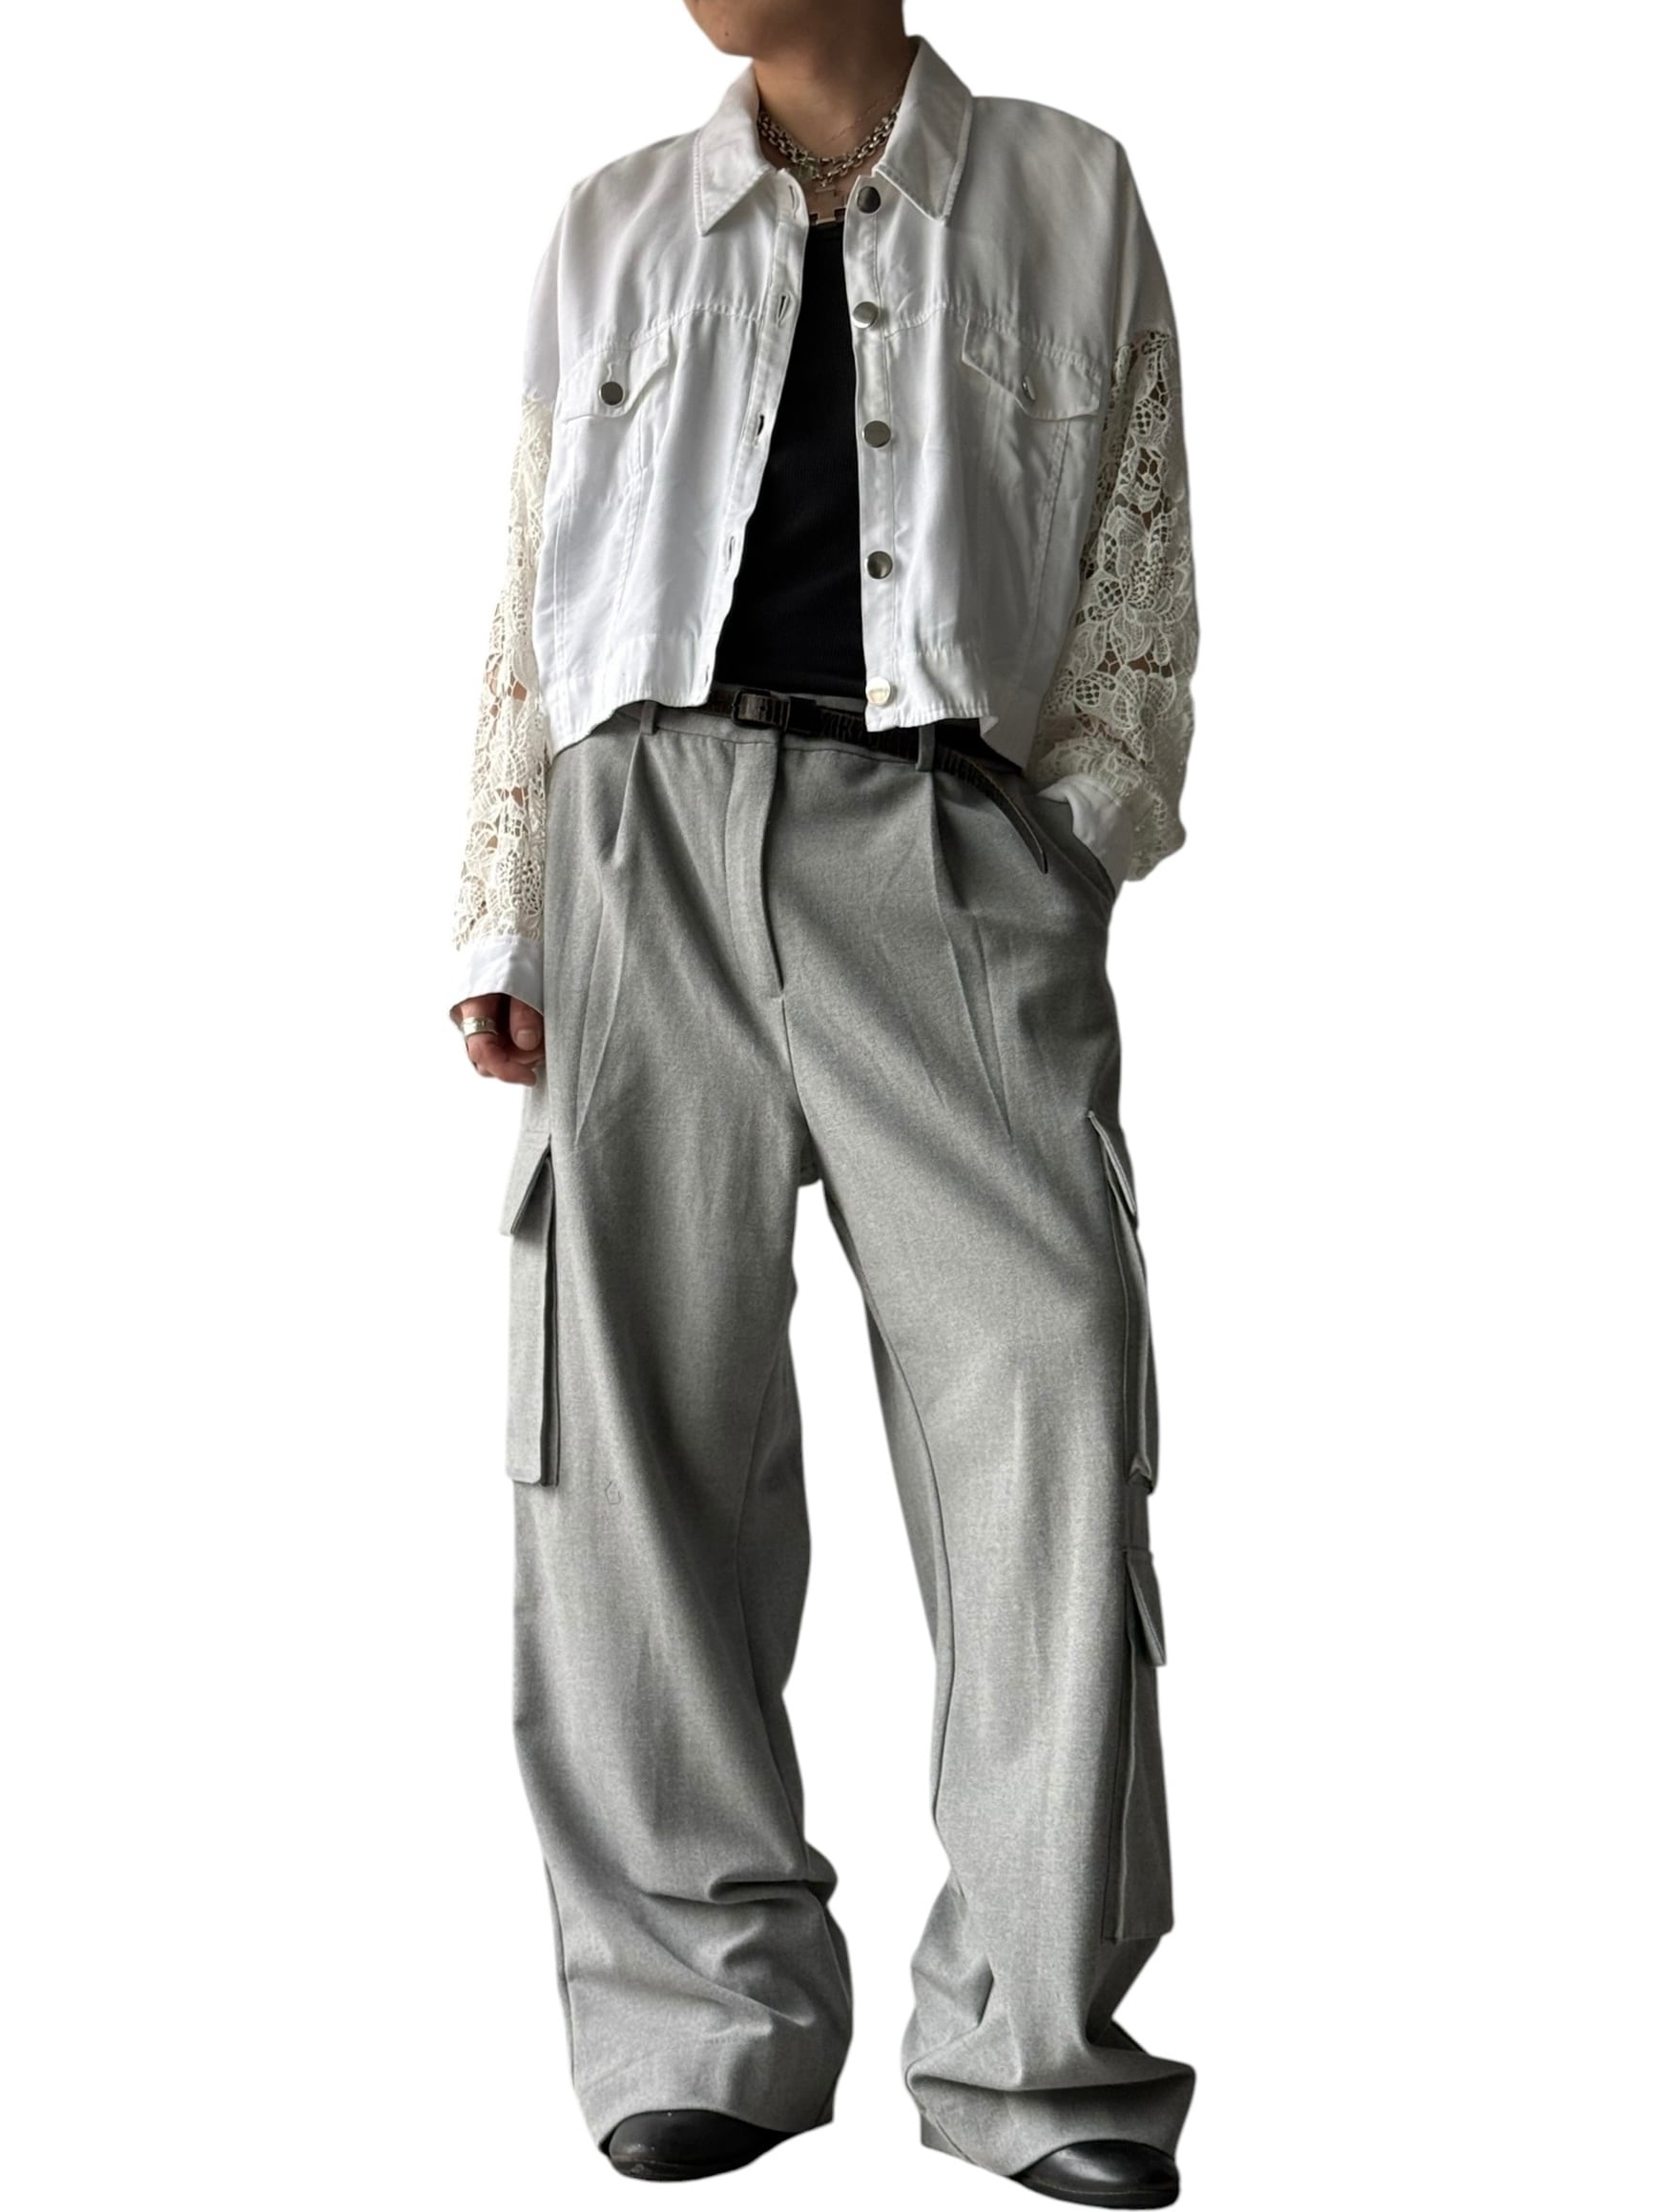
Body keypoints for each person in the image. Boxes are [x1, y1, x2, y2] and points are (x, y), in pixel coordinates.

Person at [448, 8, 1200, 2202]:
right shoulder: (612, 228)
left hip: (943, 851)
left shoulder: (1066, 192)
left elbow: (1135, 574)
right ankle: (703, 2014)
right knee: (626, 1435)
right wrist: (504, 898)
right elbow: (534, 591)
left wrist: (1060, 846)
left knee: (1050, 1386)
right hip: (638, 844)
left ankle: (1037, 2045)